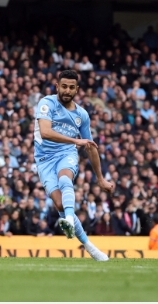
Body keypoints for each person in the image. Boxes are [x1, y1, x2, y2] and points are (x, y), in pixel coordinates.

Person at [34, 69, 114, 261]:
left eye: (71, 87)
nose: (67, 91)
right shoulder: (47, 103)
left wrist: (101, 179)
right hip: (44, 159)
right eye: (64, 86)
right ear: (57, 87)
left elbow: (91, 147)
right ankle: (91, 248)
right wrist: (75, 141)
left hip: (66, 154)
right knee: (61, 203)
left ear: (77, 89)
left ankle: (69, 220)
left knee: (65, 176)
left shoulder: (82, 115)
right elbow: (45, 132)